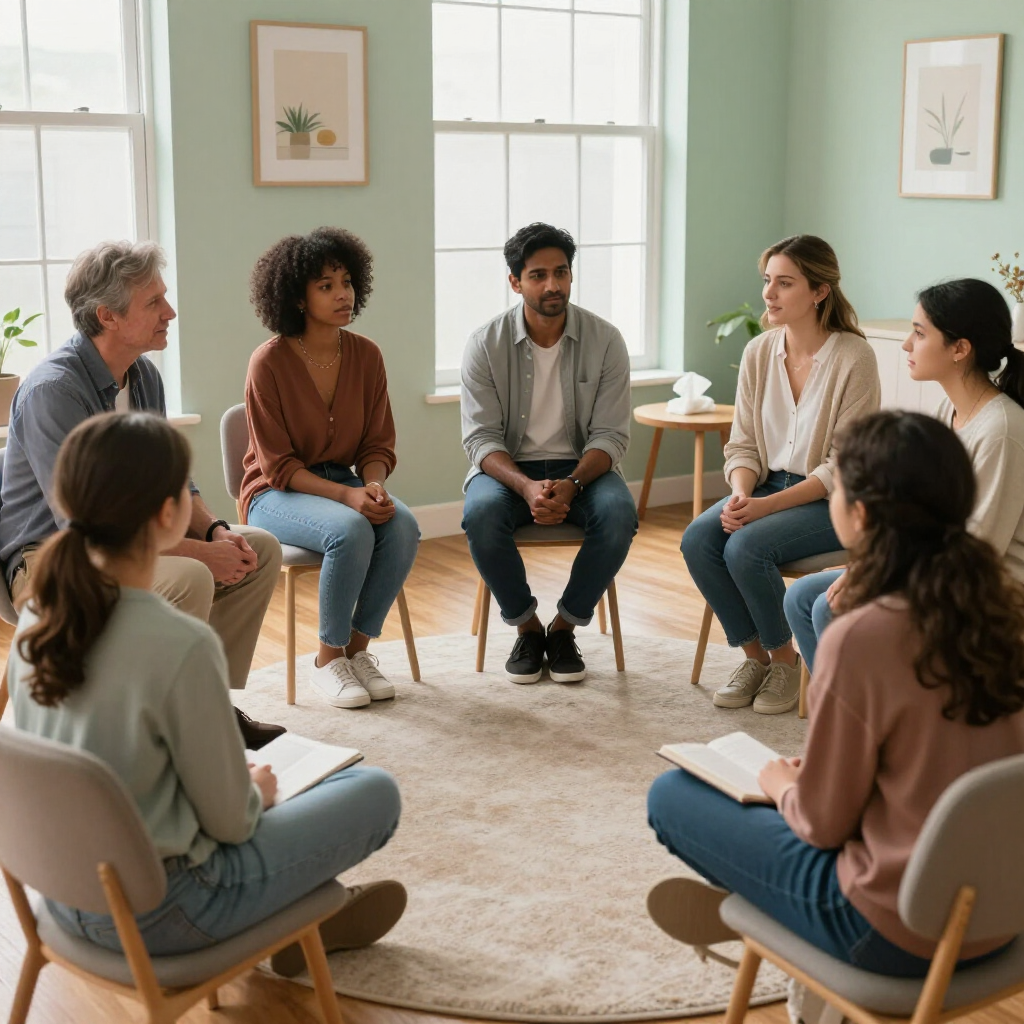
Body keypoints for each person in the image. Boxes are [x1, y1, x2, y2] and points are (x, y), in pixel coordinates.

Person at [7, 412, 406, 975]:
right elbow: (231, 823)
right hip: (169, 913)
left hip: (62, 897)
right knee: (371, 791)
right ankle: (303, 913)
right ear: (168, 514)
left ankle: (303, 914)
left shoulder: (35, 617)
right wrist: (256, 791)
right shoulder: (178, 643)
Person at [648, 410, 1024, 977]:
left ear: (861, 514)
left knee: (673, 794)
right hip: (998, 920)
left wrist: (783, 786)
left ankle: (762, 917)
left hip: (891, 931)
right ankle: (768, 913)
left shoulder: (866, 635)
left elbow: (823, 824)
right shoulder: (1006, 613)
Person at [0, 240, 284, 748]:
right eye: (154, 302)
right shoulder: (53, 391)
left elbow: (173, 480)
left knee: (257, 548)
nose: (170, 312)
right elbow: (90, 524)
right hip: (49, 558)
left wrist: (217, 531)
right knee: (193, 573)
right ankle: (167, 724)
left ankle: (206, 703)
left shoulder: (144, 377)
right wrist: (200, 551)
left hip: (126, 541)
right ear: (107, 316)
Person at [680, 235, 879, 714]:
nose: (769, 293)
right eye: (768, 280)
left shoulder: (854, 357)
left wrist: (765, 508)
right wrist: (740, 495)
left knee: (747, 547)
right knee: (698, 540)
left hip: (834, 499)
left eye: (784, 283)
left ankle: (786, 661)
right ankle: (756, 660)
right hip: (764, 485)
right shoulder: (758, 352)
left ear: (819, 291)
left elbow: (842, 465)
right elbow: (743, 443)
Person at [786, 278, 1024, 673]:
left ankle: (875, 723)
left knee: (829, 606)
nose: (906, 345)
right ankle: (849, 720)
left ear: (960, 349)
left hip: (987, 584)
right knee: (802, 597)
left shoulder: (1002, 431)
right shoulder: (947, 412)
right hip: (934, 565)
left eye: (918, 333)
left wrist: (881, 572)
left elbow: (979, 547)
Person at [244, 227, 419, 710]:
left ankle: (357, 655)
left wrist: (374, 486)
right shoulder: (269, 362)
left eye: (346, 281)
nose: (343, 294)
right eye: (326, 285)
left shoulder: (366, 354)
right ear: (297, 298)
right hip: (273, 493)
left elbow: (377, 443)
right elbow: (277, 466)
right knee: (351, 530)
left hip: (341, 481)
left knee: (402, 525)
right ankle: (327, 659)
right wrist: (347, 498)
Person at [460, 222, 637, 684]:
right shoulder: (484, 344)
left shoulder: (606, 341)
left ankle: (563, 628)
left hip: (583, 469)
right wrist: (524, 484)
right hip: (508, 472)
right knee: (480, 516)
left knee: (619, 515)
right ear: (515, 282)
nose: (553, 285)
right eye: (538, 275)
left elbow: (611, 436)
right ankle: (527, 627)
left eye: (561, 272)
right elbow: (480, 439)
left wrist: (573, 483)